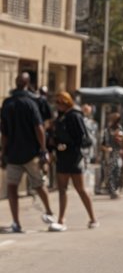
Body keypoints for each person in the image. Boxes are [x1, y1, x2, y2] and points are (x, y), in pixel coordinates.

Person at [1, 72, 55, 232]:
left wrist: (3, 152)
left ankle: (16, 222)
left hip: (13, 154)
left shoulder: (7, 103)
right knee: (39, 185)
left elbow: (4, 132)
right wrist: (43, 149)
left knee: (12, 188)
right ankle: (49, 212)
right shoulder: (31, 103)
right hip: (31, 153)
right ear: (28, 84)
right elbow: (38, 128)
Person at [48, 91, 98, 229]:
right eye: (56, 102)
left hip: (74, 157)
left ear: (66, 102)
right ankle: (61, 219)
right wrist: (55, 143)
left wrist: (68, 145)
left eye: (59, 102)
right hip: (62, 157)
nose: (57, 105)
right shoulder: (60, 117)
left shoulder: (75, 115)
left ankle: (93, 218)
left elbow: (83, 139)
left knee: (80, 189)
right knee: (62, 189)